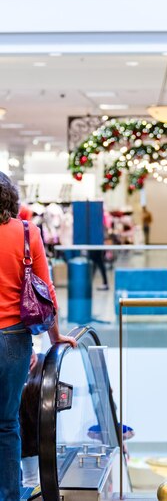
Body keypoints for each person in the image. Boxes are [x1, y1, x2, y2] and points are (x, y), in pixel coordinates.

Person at [0, 171, 77, 501]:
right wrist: (55, 337)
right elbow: (46, 291)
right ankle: (9, 494)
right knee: (6, 424)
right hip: (14, 339)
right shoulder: (27, 232)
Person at [19, 353, 45, 488]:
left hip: (23, 444)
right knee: (33, 481)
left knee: (28, 481)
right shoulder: (43, 393)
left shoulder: (24, 390)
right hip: (39, 444)